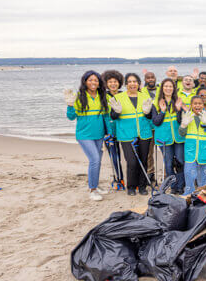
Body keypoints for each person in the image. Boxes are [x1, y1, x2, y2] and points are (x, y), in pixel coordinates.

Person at [65, 71, 109, 201]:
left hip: (99, 134)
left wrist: (109, 132)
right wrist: (70, 105)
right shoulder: (79, 96)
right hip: (84, 135)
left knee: (97, 161)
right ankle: (93, 190)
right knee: (94, 159)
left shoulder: (102, 96)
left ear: (99, 82)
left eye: (96, 80)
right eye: (90, 80)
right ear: (85, 81)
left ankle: (95, 184)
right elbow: (71, 117)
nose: (93, 82)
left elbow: (106, 116)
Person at [108, 73, 154, 196]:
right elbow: (112, 116)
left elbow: (150, 117)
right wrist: (116, 112)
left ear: (139, 84)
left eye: (135, 81)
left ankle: (142, 186)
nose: (132, 84)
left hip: (144, 133)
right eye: (129, 81)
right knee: (132, 162)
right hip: (126, 134)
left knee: (143, 161)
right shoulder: (119, 97)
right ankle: (131, 186)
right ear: (126, 84)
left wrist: (148, 112)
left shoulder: (145, 96)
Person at [150, 78, 185, 194]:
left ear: (174, 88)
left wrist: (179, 110)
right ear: (162, 88)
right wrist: (163, 111)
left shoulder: (178, 101)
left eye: (170, 86)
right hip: (164, 138)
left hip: (178, 137)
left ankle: (180, 185)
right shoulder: (156, 103)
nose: (168, 88)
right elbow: (156, 122)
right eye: (166, 86)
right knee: (169, 163)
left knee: (180, 161)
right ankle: (173, 186)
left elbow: (180, 121)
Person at [179, 95, 206, 194]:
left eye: (200, 103)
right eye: (195, 103)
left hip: (205, 151)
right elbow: (181, 133)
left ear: (203, 105)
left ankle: (203, 196)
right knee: (189, 174)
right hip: (191, 152)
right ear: (191, 105)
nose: (197, 105)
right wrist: (184, 124)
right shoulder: (187, 116)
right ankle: (188, 194)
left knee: (204, 177)